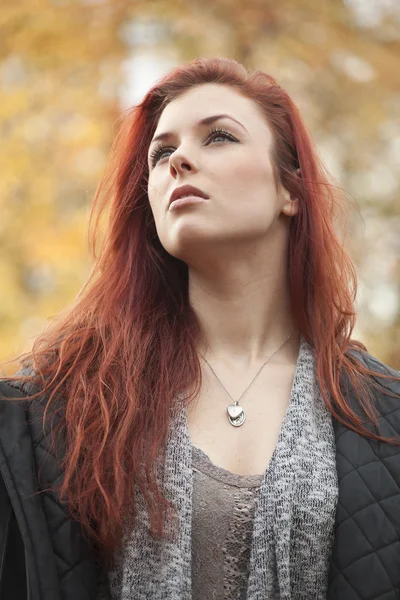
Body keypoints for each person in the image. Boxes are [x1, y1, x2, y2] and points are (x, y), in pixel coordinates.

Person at [0, 56, 399, 600]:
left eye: (218, 138)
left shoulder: (384, 416)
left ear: (292, 191)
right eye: (161, 153)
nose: (179, 159)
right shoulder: (55, 408)